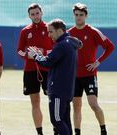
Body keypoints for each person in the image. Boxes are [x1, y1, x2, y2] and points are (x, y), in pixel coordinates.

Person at [28, 19, 82, 135]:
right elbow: (53, 60)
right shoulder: (70, 42)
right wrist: (41, 56)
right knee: (65, 120)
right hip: (66, 90)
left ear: (59, 31)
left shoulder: (62, 45)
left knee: (56, 119)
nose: (49, 35)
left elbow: (47, 62)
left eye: (51, 32)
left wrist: (36, 56)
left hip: (58, 90)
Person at [68, 3, 115, 135]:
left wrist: (97, 62)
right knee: (76, 106)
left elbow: (110, 47)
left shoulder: (93, 31)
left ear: (86, 16)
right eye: (76, 15)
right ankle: (77, 132)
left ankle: (103, 130)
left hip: (89, 75)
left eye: (81, 15)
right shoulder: (69, 34)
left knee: (93, 104)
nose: (78, 17)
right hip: (75, 76)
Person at [17, 3, 53, 135]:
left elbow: (56, 48)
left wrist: (43, 53)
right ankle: (39, 132)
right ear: (29, 16)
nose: (35, 16)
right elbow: (19, 50)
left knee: (53, 100)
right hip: (30, 71)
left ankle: (56, 128)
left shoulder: (50, 28)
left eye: (37, 13)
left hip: (48, 69)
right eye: (33, 14)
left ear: (41, 13)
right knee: (35, 102)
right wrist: (29, 55)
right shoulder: (25, 31)